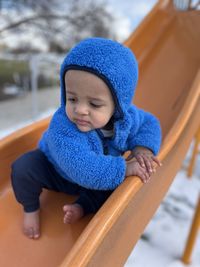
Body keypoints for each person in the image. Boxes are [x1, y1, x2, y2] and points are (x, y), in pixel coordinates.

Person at [11, 37, 162, 239]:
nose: (80, 110)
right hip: (58, 170)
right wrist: (123, 168)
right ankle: (30, 209)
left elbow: (149, 123)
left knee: (116, 191)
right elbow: (81, 167)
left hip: (97, 175)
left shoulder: (127, 119)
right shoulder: (63, 125)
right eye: (72, 98)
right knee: (23, 167)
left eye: (94, 104)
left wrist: (142, 148)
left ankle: (82, 206)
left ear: (118, 105)